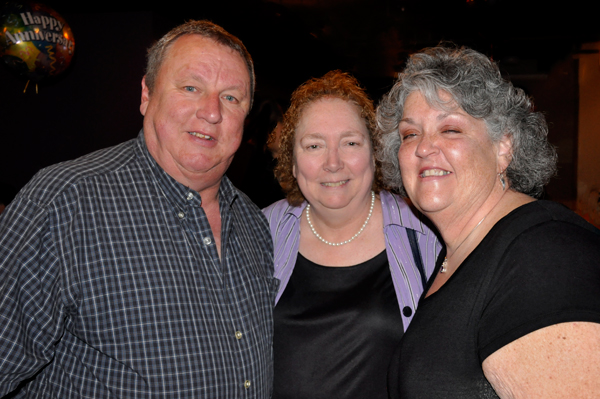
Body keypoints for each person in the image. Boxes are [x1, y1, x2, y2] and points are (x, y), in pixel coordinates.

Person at [0, 20, 277, 398]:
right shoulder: (67, 201)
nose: (211, 112)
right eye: (191, 87)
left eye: (231, 97)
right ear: (146, 94)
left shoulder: (253, 223)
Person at [376, 45, 600, 398]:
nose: (423, 147)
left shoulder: (544, 256)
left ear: (504, 147)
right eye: (410, 134)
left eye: (450, 129)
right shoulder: (456, 255)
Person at [262, 70, 441, 399]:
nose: (333, 163)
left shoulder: (427, 235)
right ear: (293, 158)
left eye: (350, 143)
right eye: (314, 145)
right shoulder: (261, 232)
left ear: (375, 151)